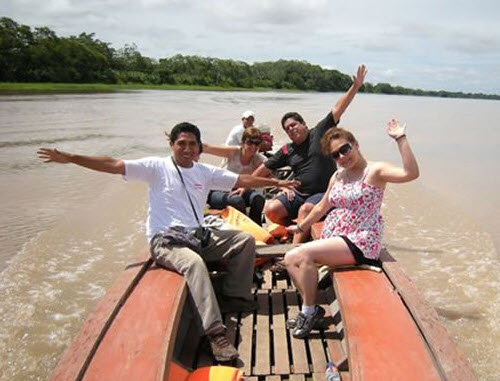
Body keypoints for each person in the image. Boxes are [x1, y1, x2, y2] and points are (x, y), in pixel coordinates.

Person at [37, 122, 299, 362]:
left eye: (192, 144)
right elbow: (113, 164)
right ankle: (215, 334)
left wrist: (276, 181)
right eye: (181, 143)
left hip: (197, 234)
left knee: (243, 240)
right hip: (166, 240)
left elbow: (243, 179)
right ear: (171, 145)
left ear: (199, 148)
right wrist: (71, 158)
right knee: (195, 264)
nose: (186, 149)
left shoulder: (203, 171)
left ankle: (234, 296)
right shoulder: (155, 168)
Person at [283, 119, 419, 339]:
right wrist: (301, 226)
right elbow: (321, 207)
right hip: (337, 235)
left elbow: (410, 173)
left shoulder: (375, 171)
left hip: (361, 240)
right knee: (291, 260)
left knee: (299, 254)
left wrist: (400, 139)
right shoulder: (337, 176)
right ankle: (311, 309)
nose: (342, 157)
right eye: (335, 155)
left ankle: (308, 312)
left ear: (356, 144)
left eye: (344, 149)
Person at [252, 65, 367, 243]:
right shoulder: (287, 149)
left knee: (305, 210)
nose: (291, 129)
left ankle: (293, 251)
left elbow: (339, 108)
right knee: (271, 209)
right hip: (297, 193)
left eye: (294, 125)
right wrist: (246, 185)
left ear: (304, 124)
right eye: (287, 129)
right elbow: (264, 168)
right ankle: (295, 230)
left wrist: (356, 86)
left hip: (323, 193)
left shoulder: (319, 132)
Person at [203, 127, 267, 225]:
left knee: (258, 199)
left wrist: (285, 188)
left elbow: (274, 175)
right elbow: (207, 148)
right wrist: (185, 143)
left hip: (242, 190)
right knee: (237, 201)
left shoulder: (258, 159)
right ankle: (243, 228)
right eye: (250, 142)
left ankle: (257, 227)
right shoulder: (233, 152)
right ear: (242, 143)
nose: (253, 146)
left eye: (257, 143)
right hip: (220, 190)